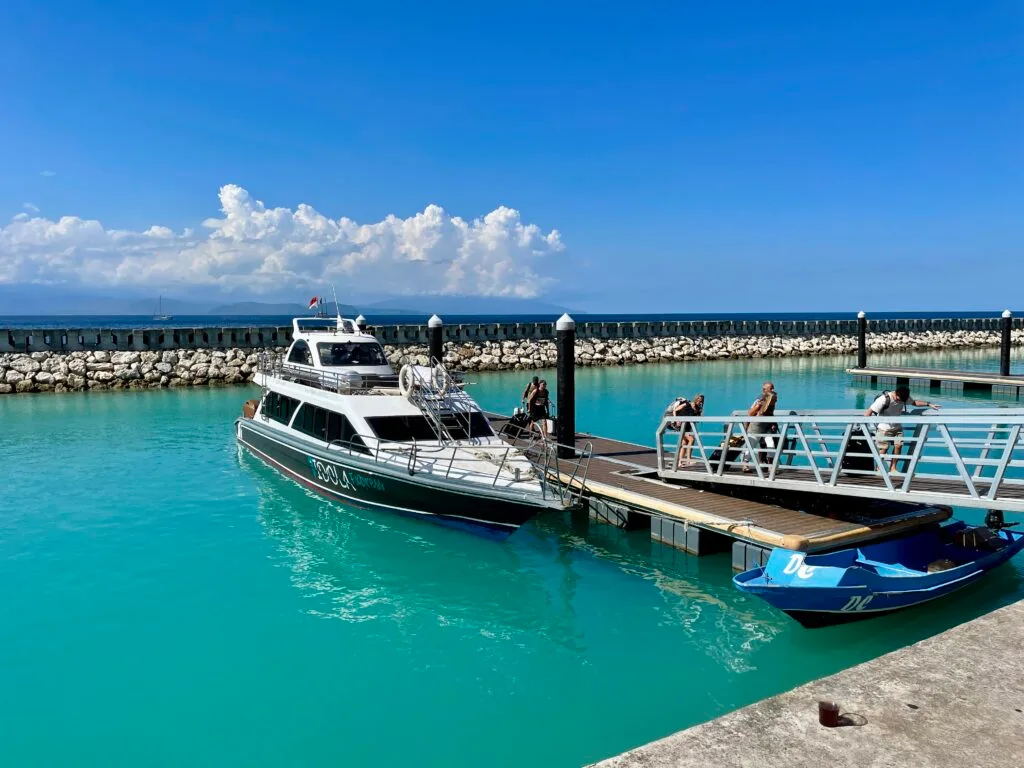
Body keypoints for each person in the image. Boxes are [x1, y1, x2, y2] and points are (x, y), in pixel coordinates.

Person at [865, 385, 940, 472]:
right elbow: (868, 412)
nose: (900, 401)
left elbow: (914, 403)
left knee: (898, 446)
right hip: (883, 428)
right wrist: (865, 427)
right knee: (883, 449)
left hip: (897, 427)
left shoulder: (904, 397)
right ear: (896, 393)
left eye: (902, 401)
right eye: (898, 399)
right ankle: (879, 468)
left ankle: (893, 468)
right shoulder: (884, 399)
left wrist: (928, 404)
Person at [742, 381, 777, 471]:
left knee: (771, 444)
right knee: (751, 444)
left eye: (773, 388)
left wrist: (773, 423)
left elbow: (771, 413)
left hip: (767, 426)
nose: (773, 389)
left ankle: (770, 466)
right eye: (771, 388)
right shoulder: (759, 399)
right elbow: (750, 413)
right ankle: (745, 464)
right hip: (756, 425)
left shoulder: (773, 398)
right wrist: (758, 407)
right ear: (764, 390)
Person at [665, 394, 704, 467]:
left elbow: (697, 420)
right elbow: (675, 410)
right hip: (681, 426)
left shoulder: (698, 408)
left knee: (684, 443)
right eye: (698, 400)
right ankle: (688, 460)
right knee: (691, 440)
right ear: (695, 399)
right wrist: (676, 420)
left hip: (688, 427)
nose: (700, 402)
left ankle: (680, 462)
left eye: (701, 401)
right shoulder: (687, 404)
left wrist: (700, 413)